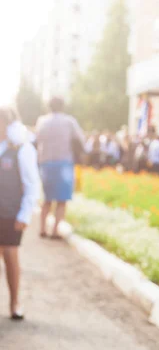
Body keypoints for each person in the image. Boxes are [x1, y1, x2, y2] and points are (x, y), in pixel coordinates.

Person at [0, 107, 40, 320]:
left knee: (9, 254)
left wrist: (25, 214)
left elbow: (31, 184)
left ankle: (14, 302)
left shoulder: (21, 149)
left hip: (10, 212)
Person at [35, 97, 85, 239]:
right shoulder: (69, 121)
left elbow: (37, 140)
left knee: (47, 198)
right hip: (64, 162)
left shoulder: (42, 121)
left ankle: (43, 228)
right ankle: (56, 230)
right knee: (61, 199)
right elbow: (80, 140)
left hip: (45, 163)